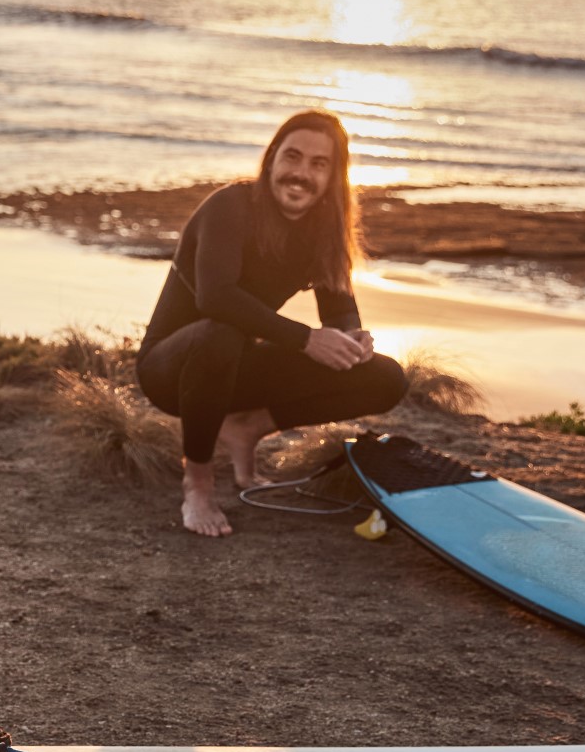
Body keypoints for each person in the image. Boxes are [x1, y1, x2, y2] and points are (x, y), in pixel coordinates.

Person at [134, 110, 408, 538]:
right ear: (272, 159)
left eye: (319, 165)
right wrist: (305, 339)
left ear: (334, 176)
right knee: (219, 333)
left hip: (237, 367)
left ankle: (248, 427)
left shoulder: (325, 231)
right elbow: (216, 298)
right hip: (172, 370)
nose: (301, 174)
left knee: (385, 379)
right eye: (293, 157)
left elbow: (338, 309)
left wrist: (353, 337)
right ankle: (199, 484)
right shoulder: (230, 207)